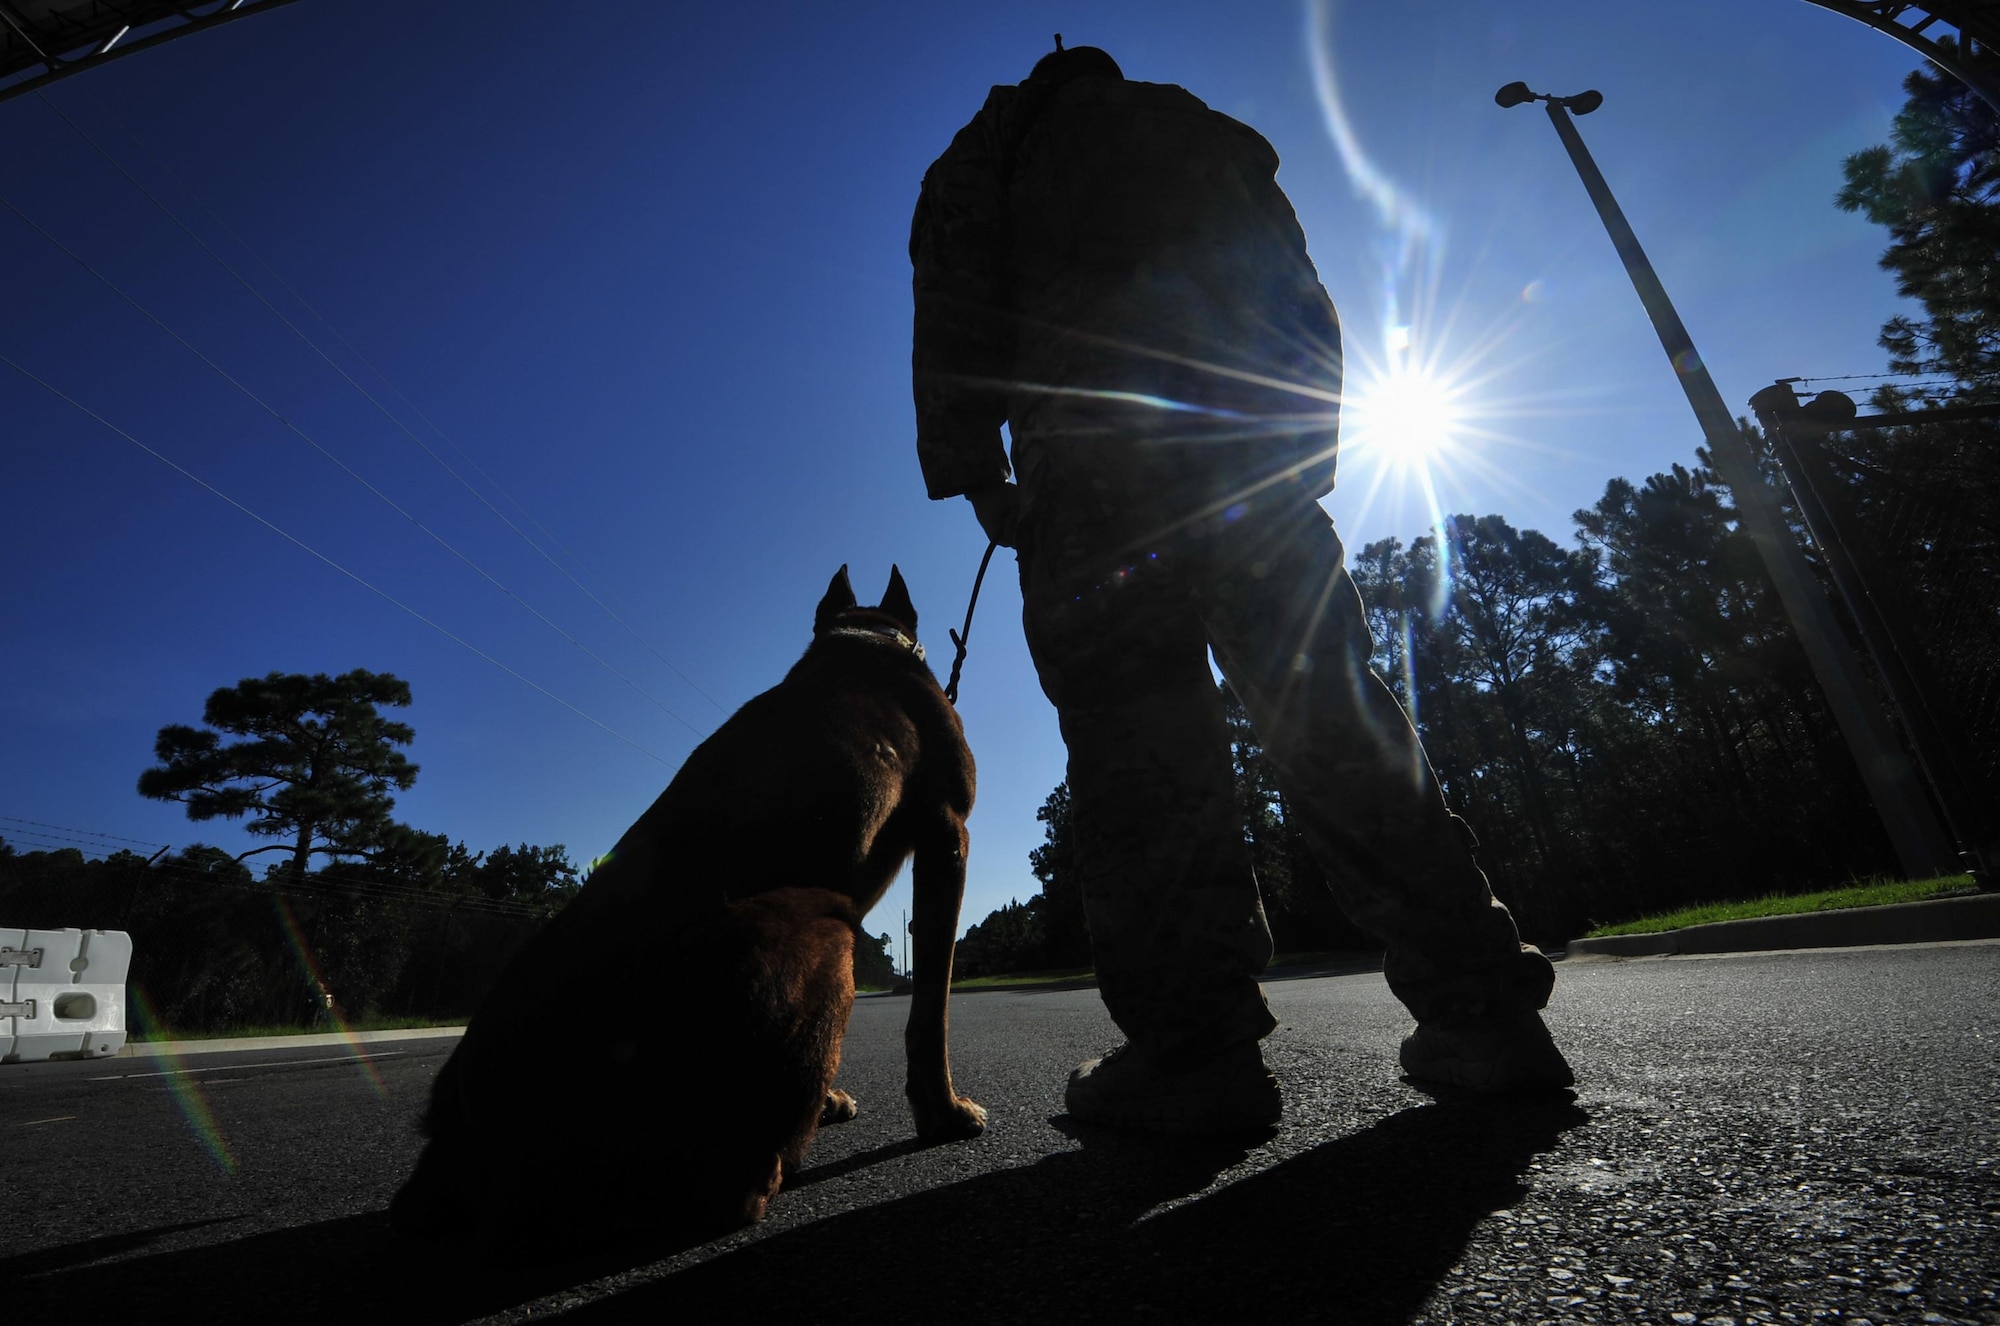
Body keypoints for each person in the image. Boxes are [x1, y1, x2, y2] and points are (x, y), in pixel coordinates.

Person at [910, 40, 1573, 1134]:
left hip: (1092, 475)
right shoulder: (1205, 132)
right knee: (1338, 720)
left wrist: (977, 474)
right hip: (1245, 458)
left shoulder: (988, 153)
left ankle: (1194, 1056)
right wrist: (1304, 453)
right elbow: (1300, 290)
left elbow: (952, 308)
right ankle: (1486, 1015)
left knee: (1142, 759)